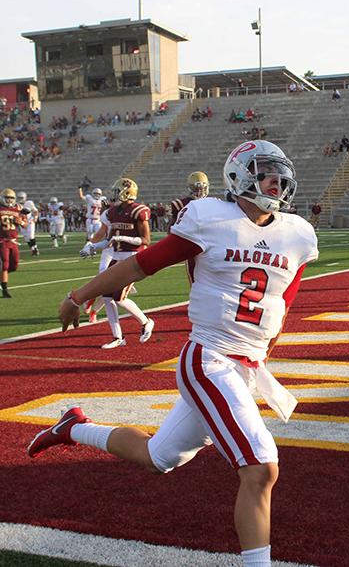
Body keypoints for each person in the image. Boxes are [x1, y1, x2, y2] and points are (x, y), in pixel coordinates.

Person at [28, 140, 319, 567]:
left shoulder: (297, 233)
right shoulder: (209, 218)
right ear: (238, 176)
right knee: (260, 468)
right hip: (209, 357)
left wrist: (264, 351)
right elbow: (143, 263)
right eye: (266, 173)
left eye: (280, 174)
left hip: (246, 364)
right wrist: (79, 294)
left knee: (158, 457)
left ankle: (72, 427)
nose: (277, 182)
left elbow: (283, 300)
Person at [79, 178, 154, 348]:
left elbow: (146, 240)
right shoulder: (112, 212)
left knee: (119, 298)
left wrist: (122, 237)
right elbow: (109, 241)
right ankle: (118, 337)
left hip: (133, 259)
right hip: (117, 258)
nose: (114, 193)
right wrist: (92, 247)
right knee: (106, 297)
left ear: (127, 192)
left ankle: (146, 322)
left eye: (118, 190)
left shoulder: (138, 211)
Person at [0, 188, 27, 298]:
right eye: (8, 198)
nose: (10, 200)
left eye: (12, 198)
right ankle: (5, 289)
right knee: (5, 264)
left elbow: (25, 224)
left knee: (14, 265)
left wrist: (20, 221)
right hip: (2, 240)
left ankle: (2, 277)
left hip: (14, 241)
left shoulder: (18, 209)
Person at [16, 191, 39, 255]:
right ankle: (33, 249)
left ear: (25, 198)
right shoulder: (16, 204)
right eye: (19, 198)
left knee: (31, 236)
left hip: (29, 221)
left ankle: (35, 249)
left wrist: (35, 218)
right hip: (22, 222)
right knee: (26, 238)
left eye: (21, 198)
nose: (20, 199)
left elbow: (35, 211)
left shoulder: (29, 203)